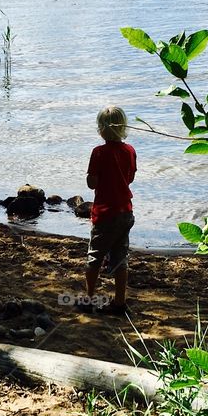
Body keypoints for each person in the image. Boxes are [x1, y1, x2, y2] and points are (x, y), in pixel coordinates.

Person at [84, 105, 136, 314]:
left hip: (105, 213)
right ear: (123, 127)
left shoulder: (98, 152)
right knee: (120, 257)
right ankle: (119, 302)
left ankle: (89, 297)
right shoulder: (130, 151)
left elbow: (92, 183)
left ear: (101, 129)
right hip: (125, 212)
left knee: (95, 257)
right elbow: (130, 178)